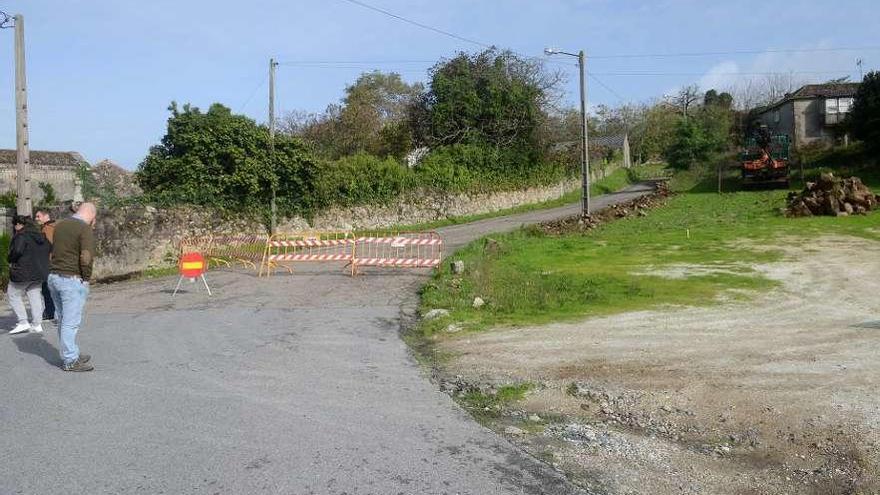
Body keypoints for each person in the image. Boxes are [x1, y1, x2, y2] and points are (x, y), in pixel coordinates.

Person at [47, 202, 97, 372]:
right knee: (70, 322)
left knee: (62, 319)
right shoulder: (84, 229)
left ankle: (71, 353)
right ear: (92, 216)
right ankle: (70, 360)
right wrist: (86, 278)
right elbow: (86, 257)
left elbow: (54, 251)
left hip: (54, 276)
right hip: (71, 279)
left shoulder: (60, 225)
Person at [6, 215, 51, 335]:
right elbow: (49, 248)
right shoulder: (41, 235)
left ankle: (23, 321)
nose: (15, 228)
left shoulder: (21, 235)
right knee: (34, 295)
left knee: (13, 294)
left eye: (15, 225)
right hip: (39, 271)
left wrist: (9, 259)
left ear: (19, 225)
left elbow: (17, 251)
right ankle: (37, 324)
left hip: (23, 271)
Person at [34, 208, 56, 321]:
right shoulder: (52, 227)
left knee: (47, 289)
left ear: (46, 216)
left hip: (49, 264)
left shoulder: (48, 229)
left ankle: (50, 312)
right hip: (53, 263)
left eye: (38, 216)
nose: (36, 218)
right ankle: (50, 311)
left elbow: (47, 247)